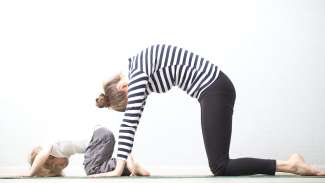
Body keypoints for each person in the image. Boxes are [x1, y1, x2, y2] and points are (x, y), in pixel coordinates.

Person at [94, 44, 325, 177]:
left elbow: (130, 122)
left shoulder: (138, 74)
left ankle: (291, 164)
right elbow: (133, 118)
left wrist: (118, 169)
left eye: (128, 100)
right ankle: (290, 163)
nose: (137, 100)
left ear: (125, 88)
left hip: (215, 88)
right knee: (220, 164)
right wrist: (128, 162)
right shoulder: (138, 67)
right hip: (214, 88)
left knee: (220, 165)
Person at [23, 127, 150, 177]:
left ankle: (125, 161)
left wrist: (30, 173)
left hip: (99, 137)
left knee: (91, 170)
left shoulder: (49, 148)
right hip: (102, 136)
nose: (63, 166)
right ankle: (130, 167)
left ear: (50, 158)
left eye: (58, 165)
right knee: (98, 167)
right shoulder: (57, 147)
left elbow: (41, 156)